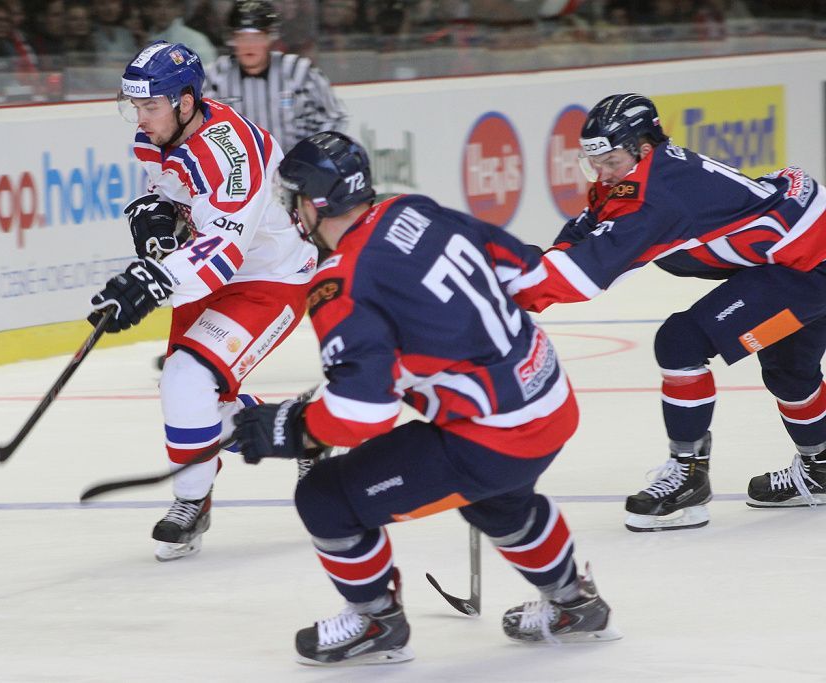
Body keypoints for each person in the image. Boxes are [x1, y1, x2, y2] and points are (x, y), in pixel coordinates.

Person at [230, 131, 620, 665]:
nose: (294, 213)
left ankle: (376, 622)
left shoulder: (341, 282)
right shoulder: (414, 210)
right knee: (499, 502)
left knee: (326, 498)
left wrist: (290, 428)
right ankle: (575, 605)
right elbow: (526, 272)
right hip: (550, 396)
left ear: (315, 202)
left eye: (295, 198)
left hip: (495, 433)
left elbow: (362, 413)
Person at [511, 93, 826, 532]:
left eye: (610, 161)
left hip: (809, 266)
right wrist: (530, 266)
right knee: (790, 370)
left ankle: (688, 479)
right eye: (593, 162)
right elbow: (587, 231)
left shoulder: (660, 196)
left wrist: (511, 287)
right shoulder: (641, 171)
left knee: (682, 342)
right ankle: (822, 468)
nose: (602, 173)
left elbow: (587, 274)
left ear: (642, 149)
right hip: (803, 249)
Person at [87, 41, 319, 562]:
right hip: (208, 273)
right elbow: (185, 206)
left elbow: (223, 253)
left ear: (186, 102)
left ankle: (192, 501)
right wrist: (157, 213)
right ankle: (302, 428)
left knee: (185, 378)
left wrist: (150, 282)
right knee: (198, 401)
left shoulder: (230, 152)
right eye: (135, 107)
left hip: (271, 277)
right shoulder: (155, 138)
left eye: (151, 106)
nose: (141, 119)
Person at [205, 0, 348, 155]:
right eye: (241, 37)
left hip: (294, 171)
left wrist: (310, 156)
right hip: (238, 175)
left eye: (257, 37)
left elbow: (334, 117)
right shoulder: (215, 77)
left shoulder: (299, 72)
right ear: (231, 39)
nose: (249, 45)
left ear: (270, 38)